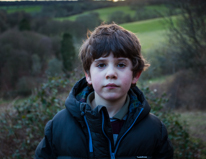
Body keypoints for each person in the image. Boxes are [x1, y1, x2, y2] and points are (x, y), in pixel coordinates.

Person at [35, 23, 173, 159]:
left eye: (121, 65)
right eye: (101, 65)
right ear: (88, 75)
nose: (111, 73)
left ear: (135, 75)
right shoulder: (58, 126)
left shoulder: (154, 130)